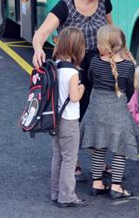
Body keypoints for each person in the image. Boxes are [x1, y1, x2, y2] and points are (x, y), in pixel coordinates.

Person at [32, 0, 113, 179]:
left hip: (97, 65)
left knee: (98, 114)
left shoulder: (104, 2)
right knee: (72, 115)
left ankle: (98, 162)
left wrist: (119, 55)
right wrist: (38, 49)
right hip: (72, 68)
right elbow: (40, 34)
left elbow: (110, 30)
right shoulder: (65, 6)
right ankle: (72, 160)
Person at [80, 25, 139, 200]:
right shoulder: (128, 66)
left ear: (103, 46)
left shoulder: (95, 62)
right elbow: (129, 91)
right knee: (119, 149)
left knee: (99, 147)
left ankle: (97, 184)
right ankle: (116, 187)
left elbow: (91, 79)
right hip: (117, 112)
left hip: (97, 110)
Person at [50, 27, 88, 208]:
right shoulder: (73, 72)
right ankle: (67, 196)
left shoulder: (55, 66)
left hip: (56, 119)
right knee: (70, 159)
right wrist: (82, 89)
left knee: (57, 155)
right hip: (70, 121)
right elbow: (74, 97)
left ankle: (55, 192)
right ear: (77, 48)